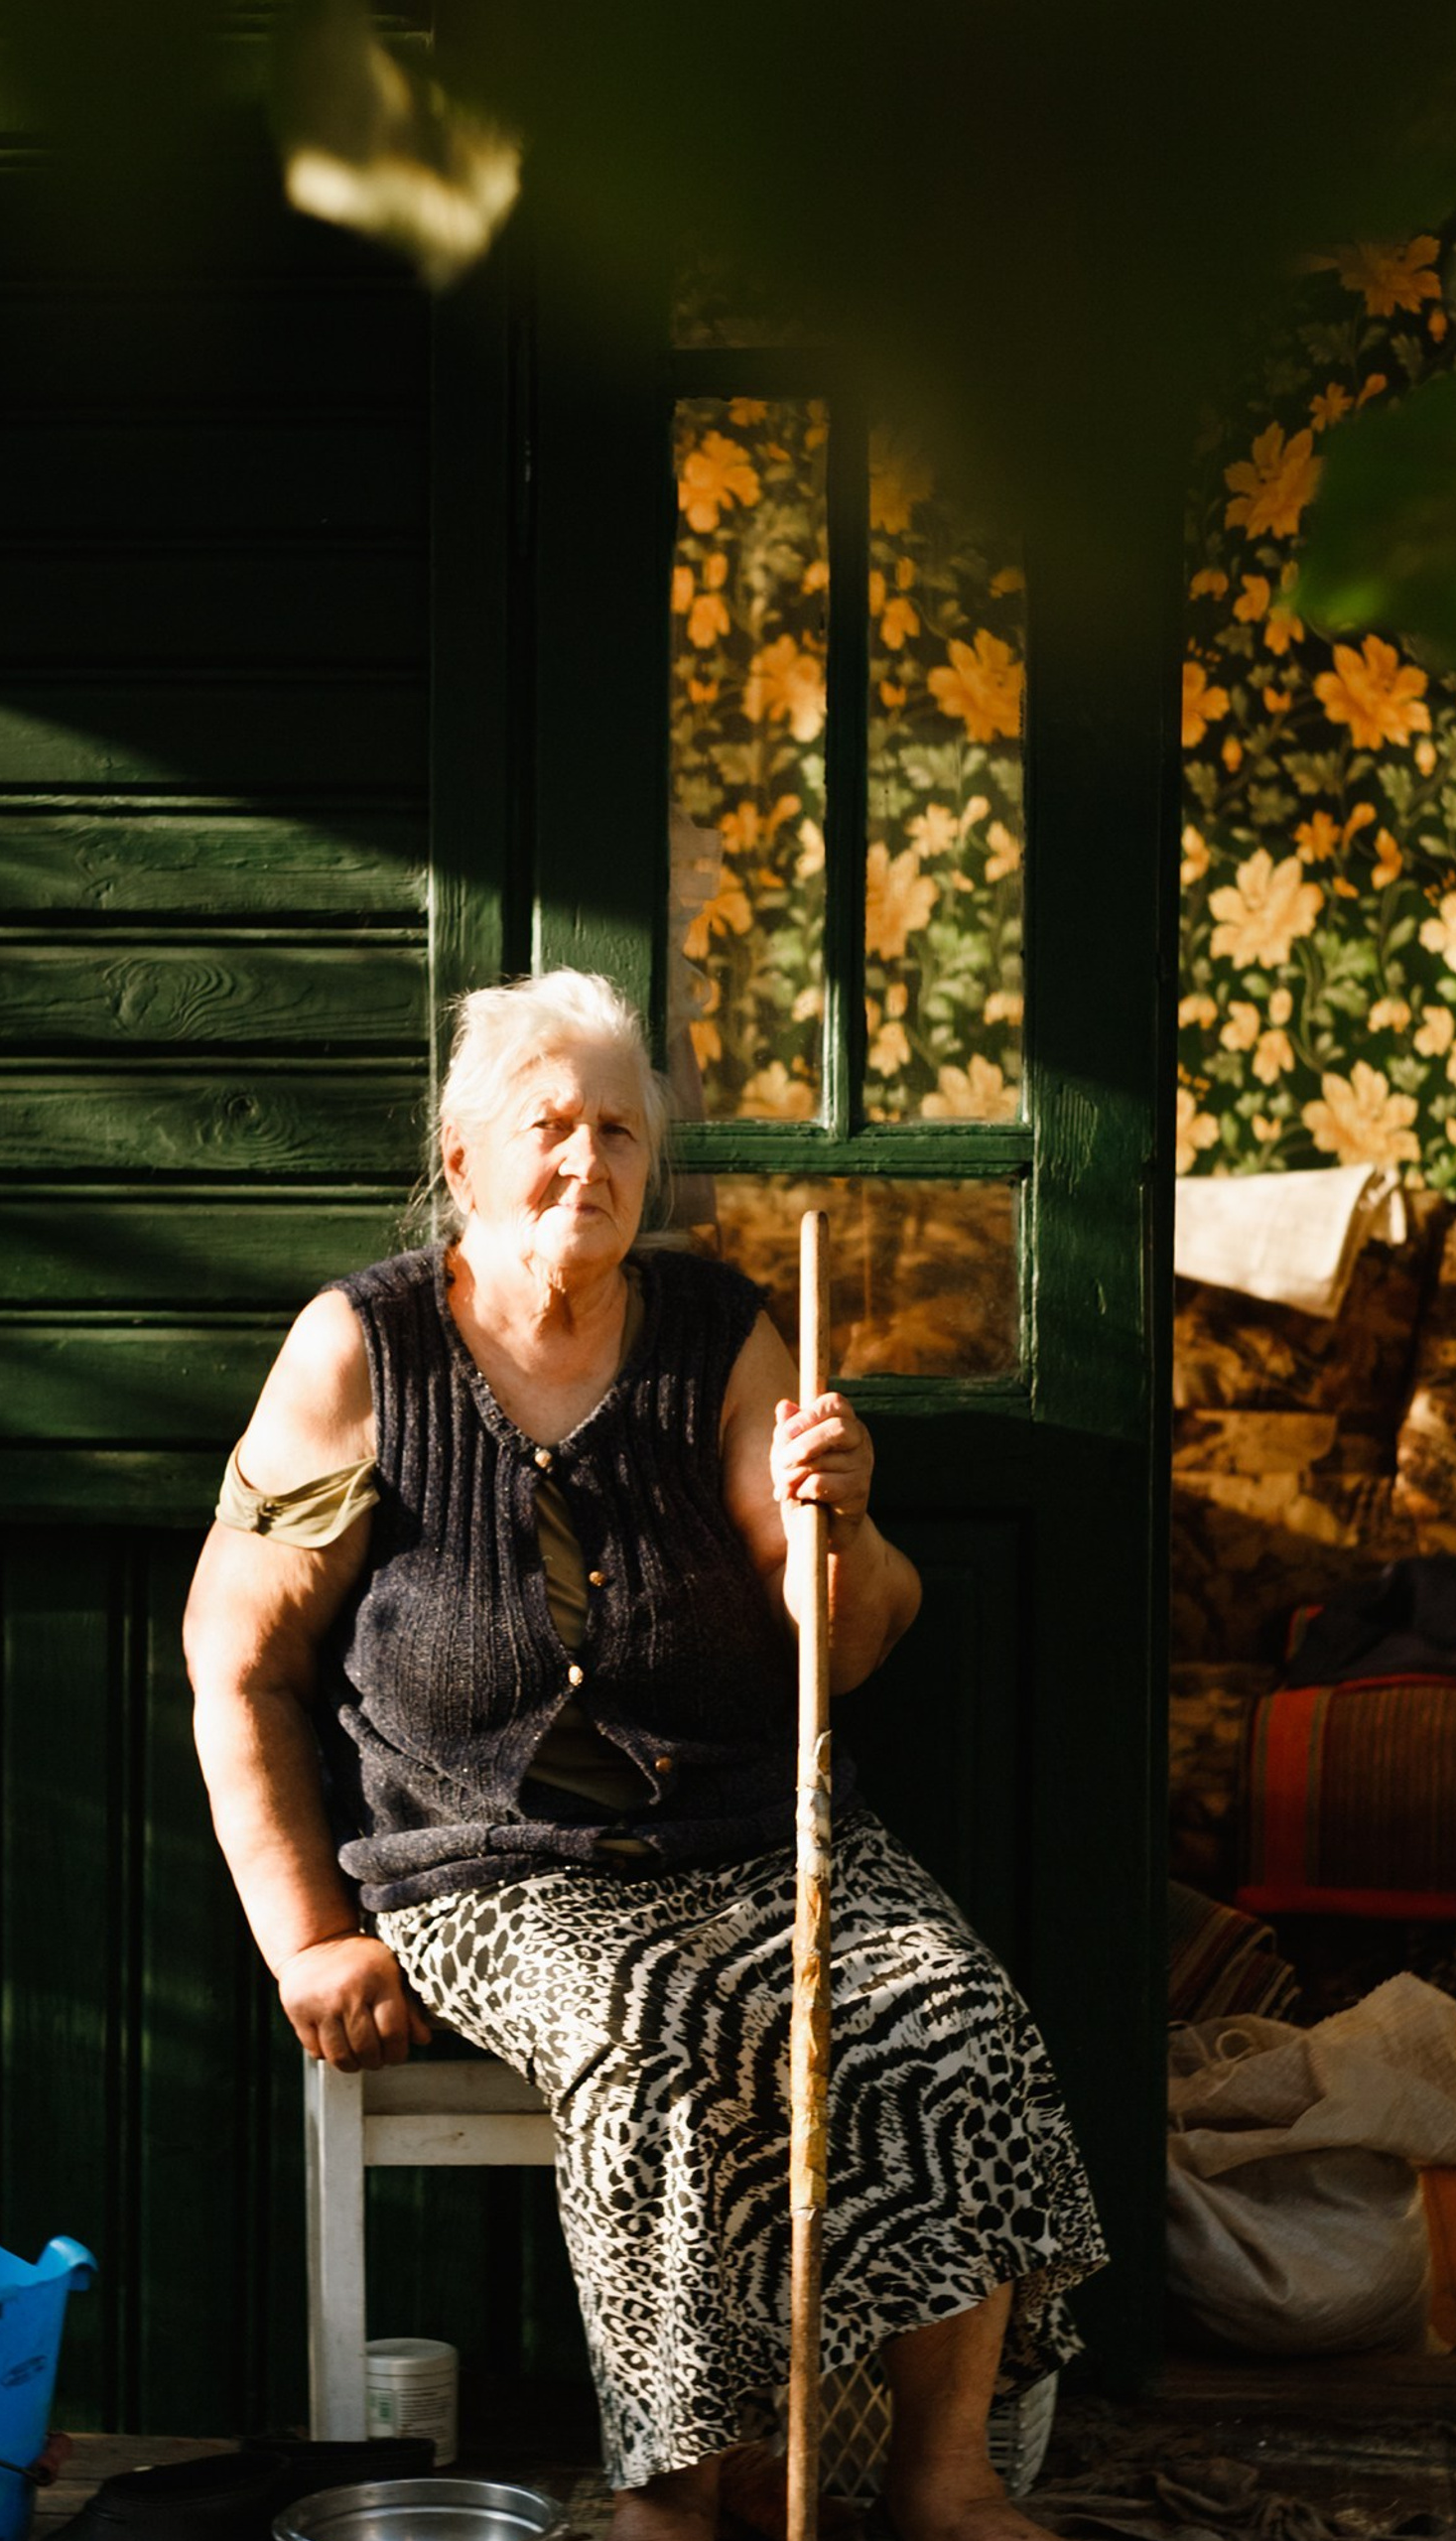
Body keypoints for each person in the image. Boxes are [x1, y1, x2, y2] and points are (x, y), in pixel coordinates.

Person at [185, 969, 1103, 2541]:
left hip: (749, 1838)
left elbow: (850, 1643)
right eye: (546, 1128)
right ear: (462, 1160)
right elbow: (238, 1660)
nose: (586, 1161)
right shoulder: (363, 1353)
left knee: (950, 2014)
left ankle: (944, 2482)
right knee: (659, 2044)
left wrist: (848, 1517)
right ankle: (675, 2500)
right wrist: (307, 1939)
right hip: (490, 1871)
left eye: (617, 1128)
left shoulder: (712, 1333)